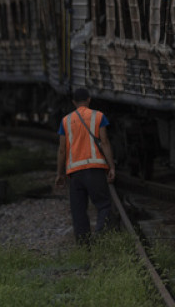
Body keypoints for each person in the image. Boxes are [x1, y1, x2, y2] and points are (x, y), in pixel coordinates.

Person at [54, 87, 117, 245]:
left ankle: (84, 246)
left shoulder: (65, 121)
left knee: (79, 211)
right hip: (95, 170)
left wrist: (59, 173)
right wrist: (112, 167)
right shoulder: (98, 116)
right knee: (104, 205)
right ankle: (101, 236)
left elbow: (62, 150)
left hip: (75, 173)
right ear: (89, 99)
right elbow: (105, 142)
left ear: (73, 102)